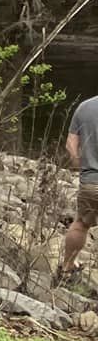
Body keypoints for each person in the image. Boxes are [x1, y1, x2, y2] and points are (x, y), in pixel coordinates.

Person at [63, 92, 98, 285]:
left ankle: (67, 267)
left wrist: (81, 168)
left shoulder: (85, 107)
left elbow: (70, 145)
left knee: (81, 224)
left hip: (91, 181)